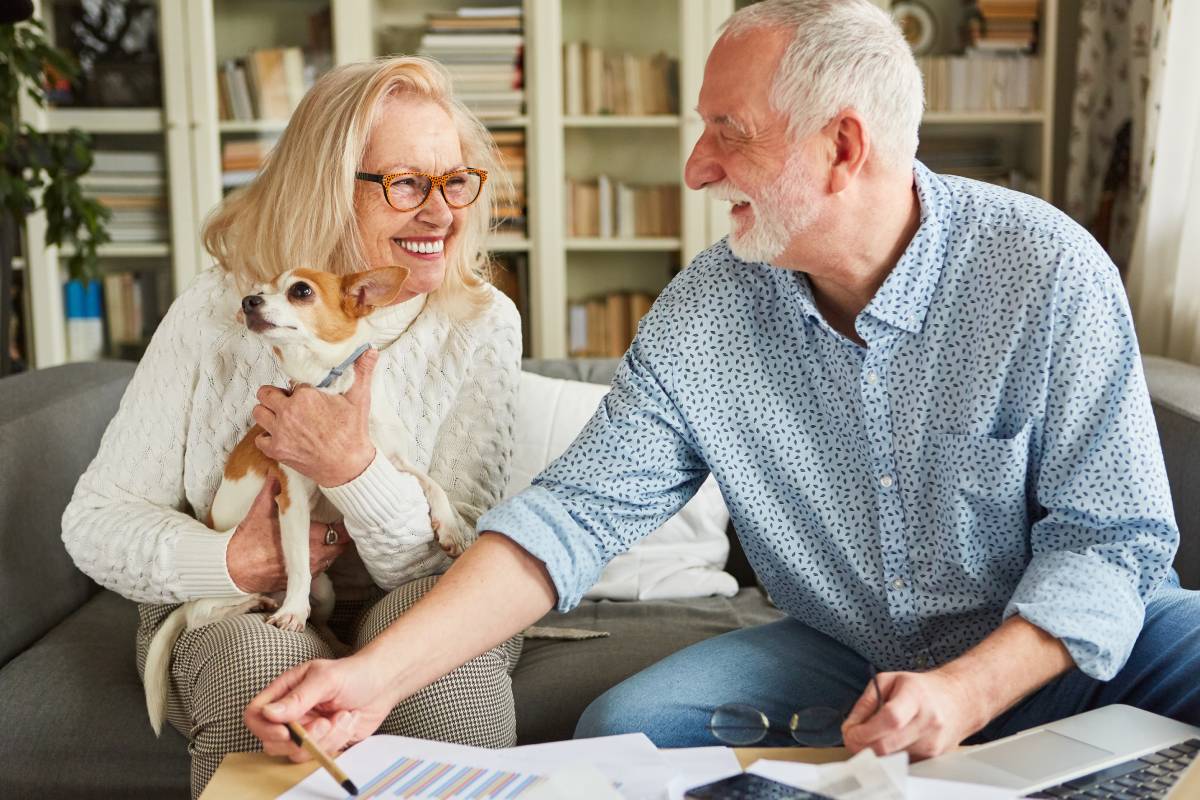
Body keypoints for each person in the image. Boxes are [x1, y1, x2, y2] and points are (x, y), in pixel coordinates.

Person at [244, 0, 1199, 765]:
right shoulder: (710, 310)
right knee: (627, 731)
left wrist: (968, 692)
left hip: (1069, 642)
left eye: (727, 133)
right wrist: (369, 680)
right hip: (857, 649)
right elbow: (570, 519)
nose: (698, 167)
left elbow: (1112, 541)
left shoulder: (1046, 269)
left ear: (843, 146)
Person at [61, 56, 523, 796]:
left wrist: (355, 472)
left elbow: (464, 563)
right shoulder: (220, 311)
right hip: (237, 607)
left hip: (406, 596)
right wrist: (231, 564)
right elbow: (95, 522)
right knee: (256, 672)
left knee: (448, 671)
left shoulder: (480, 322)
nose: (442, 214)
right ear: (330, 188)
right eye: (407, 184)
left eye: (455, 179)